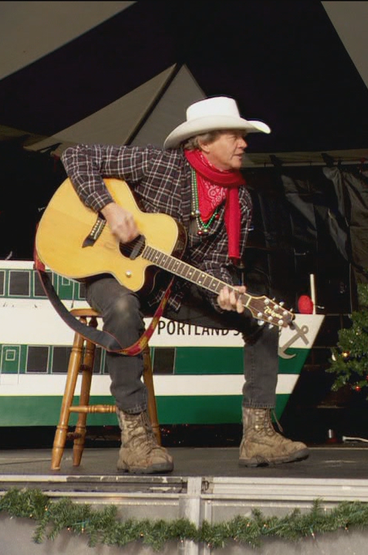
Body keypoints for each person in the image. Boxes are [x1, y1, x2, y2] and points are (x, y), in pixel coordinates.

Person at [60, 96, 309, 474]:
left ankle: (258, 434)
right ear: (204, 141)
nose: (244, 143)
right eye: (235, 135)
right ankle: (135, 439)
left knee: (261, 319)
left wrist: (224, 293)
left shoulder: (239, 199)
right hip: (108, 272)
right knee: (124, 310)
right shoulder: (159, 164)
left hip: (169, 289)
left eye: (244, 136)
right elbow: (76, 156)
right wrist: (110, 209)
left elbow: (213, 265)